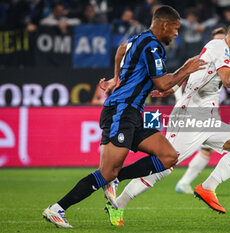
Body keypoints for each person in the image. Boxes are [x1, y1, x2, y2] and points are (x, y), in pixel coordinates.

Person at [42, 5, 206, 228]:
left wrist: (116, 78)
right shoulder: (152, 47)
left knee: (168, 156)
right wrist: (187, 69)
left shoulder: (140, 38)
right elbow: (162, 83)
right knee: (106, 171)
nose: (177, 33)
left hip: (133, 113)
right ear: (164, 25)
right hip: (121, 110)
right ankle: (57, 209)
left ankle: (116, 179)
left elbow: (121, 49)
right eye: (175, 29)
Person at [105, 18, 230, 226]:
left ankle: (208, 188)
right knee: (164, 166)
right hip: (190, 117)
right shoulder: (220, 46)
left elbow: (194, 62)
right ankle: (117, 199)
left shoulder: (218, 50)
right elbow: (228, 81)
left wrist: (173, 84)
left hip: (207, 120)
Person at [175, 26, 230, 194]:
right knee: (172, 155)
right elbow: (179, 78)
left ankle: (185, 183)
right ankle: (183, 182)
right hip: (192, 111)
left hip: (209, 111)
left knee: (205, 150)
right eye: (218, 40)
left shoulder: (227, 62)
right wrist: (179, 99)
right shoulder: (201, 58)